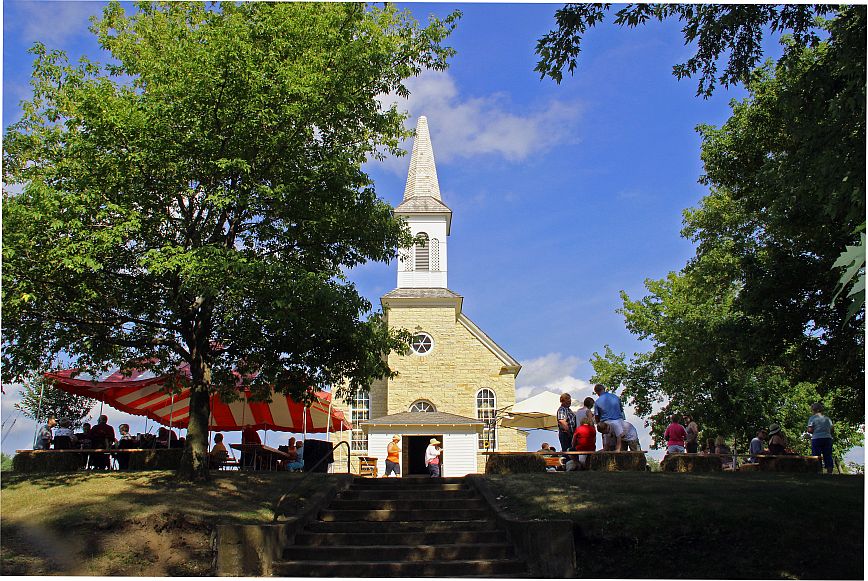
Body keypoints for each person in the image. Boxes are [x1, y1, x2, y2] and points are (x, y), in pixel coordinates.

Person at [807, 402, 834, 474]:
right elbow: (832, 429)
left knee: (816, 456)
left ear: (814, 410)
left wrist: (814, 431)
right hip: (828, 438)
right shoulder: (827, 419)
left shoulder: (812, 418)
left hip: (816, 438)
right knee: (828, 455)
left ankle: (818, 472)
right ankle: (829, 472)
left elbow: (809, 430)